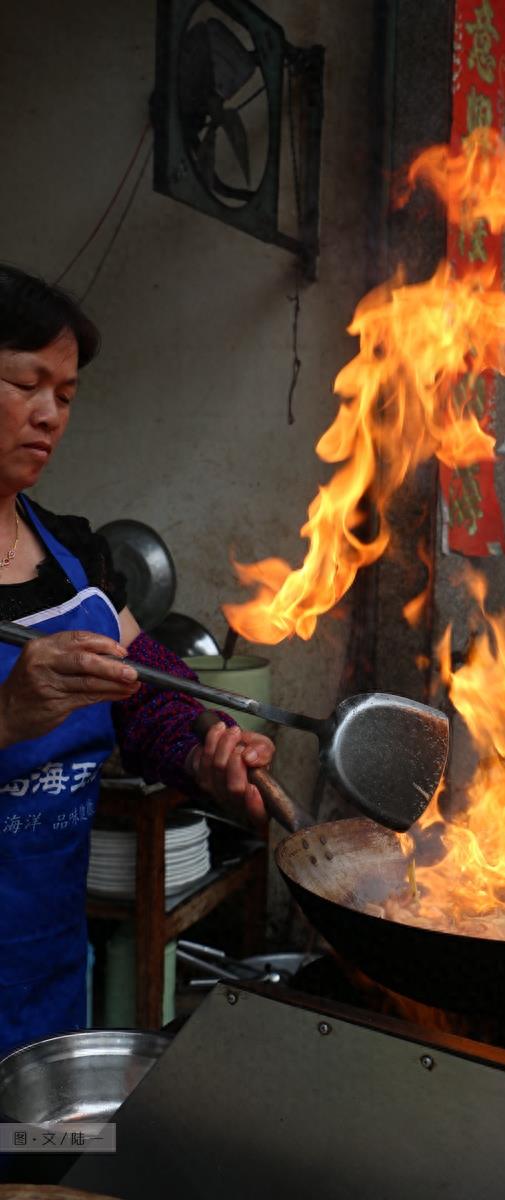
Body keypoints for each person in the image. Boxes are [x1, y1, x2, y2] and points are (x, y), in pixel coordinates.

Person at [0, 264, 275, 1057]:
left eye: (68, 396)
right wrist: (6, 716)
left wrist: (202, 751)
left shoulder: (75, 553)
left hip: (44, 983)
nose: (51, 415)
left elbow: (148, 690)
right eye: (27, 384)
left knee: (41, 1166)